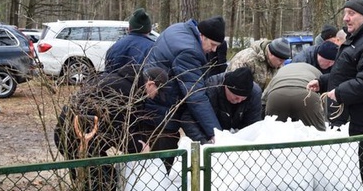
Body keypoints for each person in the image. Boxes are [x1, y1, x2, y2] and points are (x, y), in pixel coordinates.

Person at [49, 65, 168, 191]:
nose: (153, 98)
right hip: (76, 139)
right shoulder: (124, 90)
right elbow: (123, 129)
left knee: (94, 184)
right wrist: (138, 148)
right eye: (156, 92)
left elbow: (126, 125)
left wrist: (138, 141)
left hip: (75, 137)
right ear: (150, 84)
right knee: (102, 183)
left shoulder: (124, 83)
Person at [306, 0, 363, 182]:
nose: (345, 18)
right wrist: (323, 82)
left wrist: (340, 93)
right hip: (351, 116)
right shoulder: (358, 39)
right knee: (351, 167)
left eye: (351, 14)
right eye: (345, 13)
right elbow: (349, 73)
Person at [146, 16, 226, 147]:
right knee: (163, 154)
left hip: (153, 99)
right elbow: (195, 95)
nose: (214, 50)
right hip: (163, 109)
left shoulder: (178, 28)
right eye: (213, 45)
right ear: (202, 36)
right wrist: (215, 133)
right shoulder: (190, 52)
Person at [181, 67, 263, 143]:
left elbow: (253, 126)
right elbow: (188, 118)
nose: (239, 101)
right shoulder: (212, 88)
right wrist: (204, 142)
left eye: (243, 99)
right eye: (236, 97)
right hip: (209, 138)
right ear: (226, 87)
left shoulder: (254, 94)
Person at [263, 62, 326, 131]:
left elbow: (264, 98)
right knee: (317, 135)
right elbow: (325, 98)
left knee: (272, 135)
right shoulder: (317, 72)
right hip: (307, 95)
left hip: (277, 95)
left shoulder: (280, 70)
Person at [227, 37, 291, 90]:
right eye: (280, 60)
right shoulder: (246, 59)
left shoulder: (278, 65)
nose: (282, 63)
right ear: (271, 54)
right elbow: (233, 87)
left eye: (284, 60)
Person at [104, 8, 155, 72]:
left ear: (129, 28)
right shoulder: (153, 49)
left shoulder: (115, 46)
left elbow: (108, 74)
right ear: (149, 29)